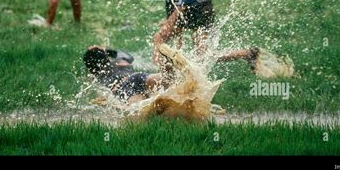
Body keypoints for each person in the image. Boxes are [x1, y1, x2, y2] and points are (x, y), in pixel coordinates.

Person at [83, 44, 259, 104]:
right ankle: (167, 64)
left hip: (124, 87)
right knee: (167, 84)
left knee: (139, 112)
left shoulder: (98, 76)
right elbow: (127, 55)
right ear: (106, 57)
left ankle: (168, 66)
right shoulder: (120, 63)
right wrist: (106, 49)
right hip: (138, 77)